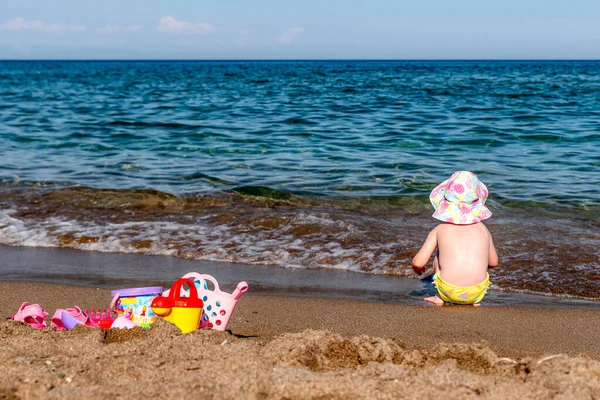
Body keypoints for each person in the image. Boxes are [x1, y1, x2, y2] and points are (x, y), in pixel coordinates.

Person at [412, 171, 498, 306]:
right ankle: (474, 301)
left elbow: (418, 262)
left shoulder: (440, 229)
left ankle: (439, 297)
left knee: (439, 253)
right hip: (478, 292)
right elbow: (493, 262)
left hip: (447, 290)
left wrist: (417, 269)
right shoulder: (483, 229)